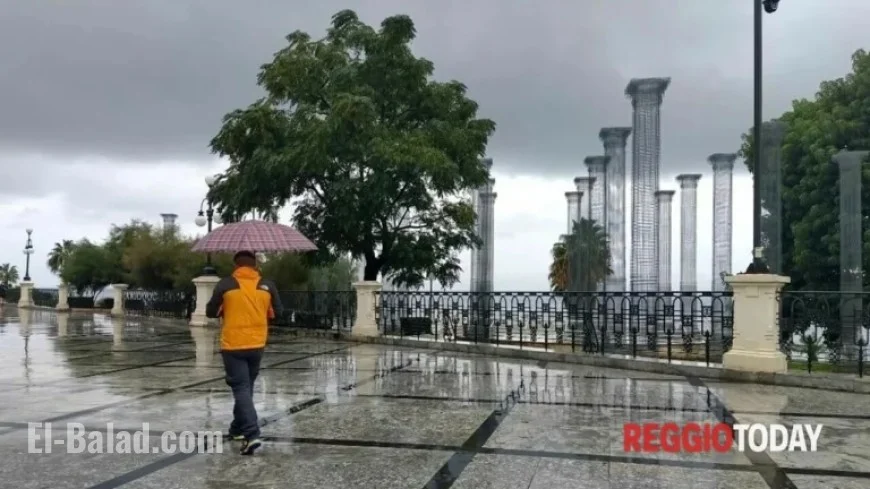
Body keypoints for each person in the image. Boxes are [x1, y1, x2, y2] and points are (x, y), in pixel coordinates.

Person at [205, 250, 282, 455]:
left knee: (240, 388)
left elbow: (210, 311)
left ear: (236, 265)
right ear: (254, 265)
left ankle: (252, 435)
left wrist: (224, 308)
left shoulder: (226, 284)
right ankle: (237, 429)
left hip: (233, 345)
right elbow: (278, 313)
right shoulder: (267, 285)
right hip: (257, 345)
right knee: (245, 387)